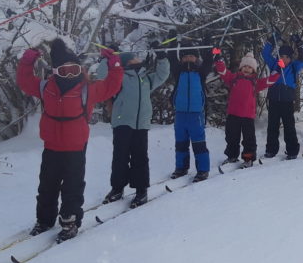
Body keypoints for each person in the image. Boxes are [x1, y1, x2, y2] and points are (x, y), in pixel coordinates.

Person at [17, 38, 123, 242]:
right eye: (64, 71)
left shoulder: (87, 89)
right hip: (51, 147)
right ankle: (44, 220)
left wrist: (115, 63)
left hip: (75, 148)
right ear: (55, 72)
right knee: (47, 186)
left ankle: (70, 221)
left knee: (72, 187)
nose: (70, 75)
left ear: (80, 69)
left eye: (74, 70)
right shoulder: (45, 88)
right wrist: (27, 62)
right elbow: (24, 81)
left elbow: (112, 85)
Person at [106, 47, 170, 207]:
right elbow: (103, 77)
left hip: (141, 124)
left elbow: (163, 74)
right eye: (133, 58)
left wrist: (161, 56)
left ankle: (141, 190)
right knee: (120, 157)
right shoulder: (119, 76)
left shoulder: (146, 78)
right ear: (127, 62)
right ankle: (117, 188)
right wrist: (107, 59)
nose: (137, 59)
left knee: (140, 157)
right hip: (122, 122)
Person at [215, 50, 280, 165]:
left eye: (249, 67)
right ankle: (232, 156)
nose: (246, 69)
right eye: (244, 66)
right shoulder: (233, 78)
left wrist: (279, 71)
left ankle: (248, 158)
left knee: (249, 139)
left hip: (247, 116)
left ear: (253, 70)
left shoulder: (255, 82)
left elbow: (269, 81)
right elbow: (223, 72)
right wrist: (218, 59)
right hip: (233, 114)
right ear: (240, 68)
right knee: (231, 137)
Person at [168, 45, 212, 181]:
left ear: (196, 58)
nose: (188, 59)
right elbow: (171, 57)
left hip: (196, 114)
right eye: (185, 56)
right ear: (181, 59)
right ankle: (181, 168)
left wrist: (207, 42)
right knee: (181, 143)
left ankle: (203, 170)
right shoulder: (178, 71)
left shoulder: (201, 72)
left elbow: (209, 60)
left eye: (191, 56)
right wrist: (172, 40)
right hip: (180, 114)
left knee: (199, 143)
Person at [262, 32, 303, 160]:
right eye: (282, 56)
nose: (284, 58)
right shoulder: (274, 63)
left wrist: (298, 43)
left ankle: (292, 150)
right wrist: (271, 41)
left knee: (289, 126)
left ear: (291, 58)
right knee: (272, 126)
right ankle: (271, 149)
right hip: (274, 99)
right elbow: (265, 54)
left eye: (286, 56)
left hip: (287, 101)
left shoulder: (293, 66)